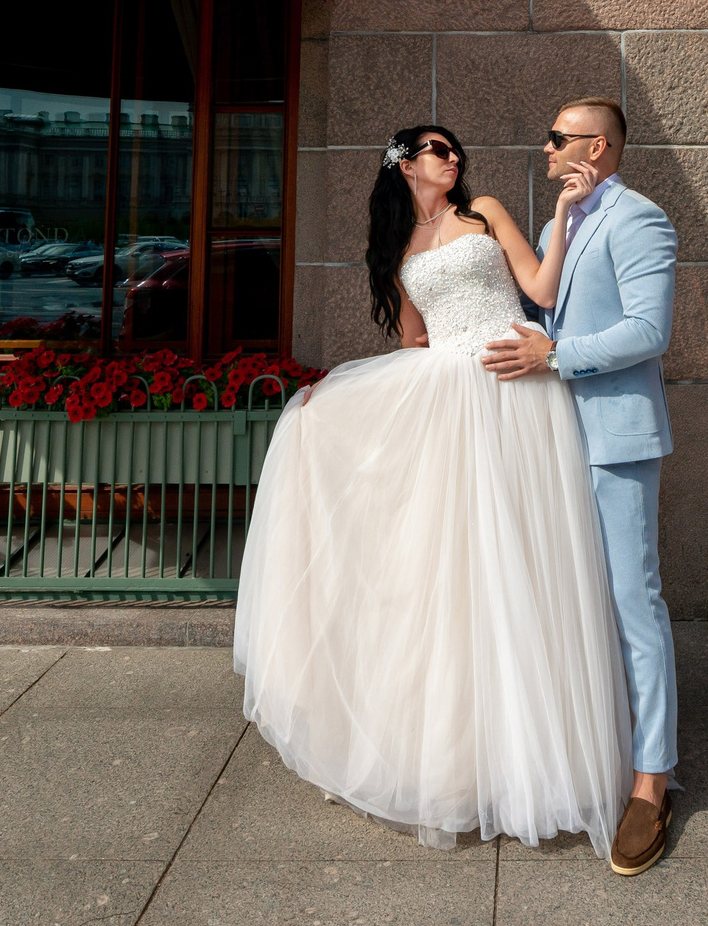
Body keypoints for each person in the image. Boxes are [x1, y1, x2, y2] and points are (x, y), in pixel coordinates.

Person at [232, 122, 633, 861]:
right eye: (437, 150)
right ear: (405, 166)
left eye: (455, 150)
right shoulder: (398, 252)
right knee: (453, 571)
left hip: (516, 388)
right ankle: (461, 758)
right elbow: (415, 341)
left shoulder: (486, 213)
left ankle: (540, 754)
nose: (453, 158)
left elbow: (541, 288)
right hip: (450, 399)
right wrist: (343, 400)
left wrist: (562, 215)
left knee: (528, 559)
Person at [482, 97, 684, 877]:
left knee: (635, 604)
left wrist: (555, 356)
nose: (545, 148)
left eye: (557, 138)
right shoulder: (559, 220)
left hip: (617, 441)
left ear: (596, 147)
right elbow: (543, 305)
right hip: (556, 438)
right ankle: (597, 747)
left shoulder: (640, 219)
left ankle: (651, 783)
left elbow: (649, 330)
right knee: (575, 602)